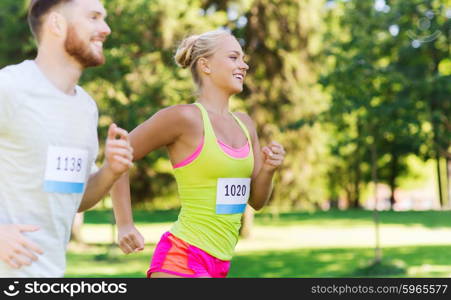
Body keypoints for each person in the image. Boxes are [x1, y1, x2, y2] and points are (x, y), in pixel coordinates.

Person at [111, 29, 285, 278]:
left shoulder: (245, 124)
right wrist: (125, 223)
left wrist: (269, 170)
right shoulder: (184, 118)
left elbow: (256, 201)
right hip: (182, 256)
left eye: (243, 58)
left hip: (221, 263)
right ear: (206, 65)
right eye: (234, 57)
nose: (244, 65)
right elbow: (118, 155)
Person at [0, 0, 134, 277]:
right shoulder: (10, 87)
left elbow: (77, 198)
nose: (106, 29)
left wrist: (111, 170)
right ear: (57, 24)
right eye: (94, 17)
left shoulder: (85, 108)